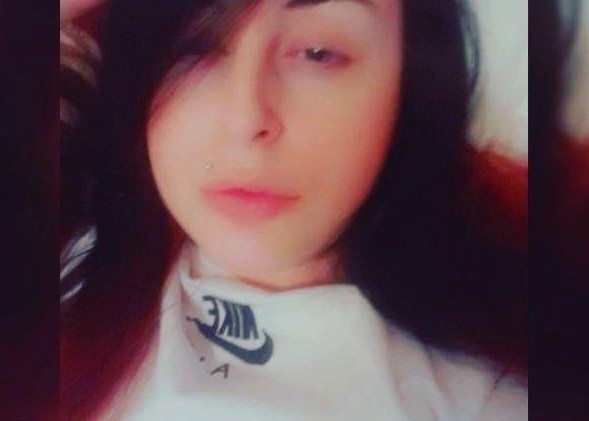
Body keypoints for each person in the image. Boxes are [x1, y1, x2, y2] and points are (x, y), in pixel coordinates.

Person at [60, 0, 528, 419]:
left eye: (318, 53)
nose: (246, 117)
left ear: (411, 80)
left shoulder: (485, 397)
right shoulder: (72, 256)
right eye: (191, 44)